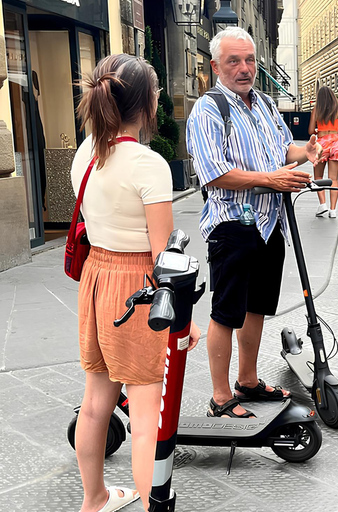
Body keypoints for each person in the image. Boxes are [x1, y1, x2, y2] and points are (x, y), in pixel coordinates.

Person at [72, 54, 200, 512]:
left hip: (96, 278)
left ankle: (95, 499)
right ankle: (152, 505)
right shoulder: (149, 165)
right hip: (137, 286)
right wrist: (185, 325)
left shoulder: (86, 152)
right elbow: (164, 255)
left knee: (94, 403)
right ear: (147, 104)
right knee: (146, 418)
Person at [186, 27, 322, 420]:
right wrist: (272, 179)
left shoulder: (262, 102)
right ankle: (220, 396)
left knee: (257, 308)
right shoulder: (208, 109)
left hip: (268, 223)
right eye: (234, 61)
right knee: (226, 312)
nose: (245, 69)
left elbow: (283, 148)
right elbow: (213, 173)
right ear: (216, 66)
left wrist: (306, 150)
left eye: (250, 60)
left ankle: (247, 379)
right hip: (232, 224)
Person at [309, 86, 338, 218]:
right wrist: (335, 134)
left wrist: (318, 130)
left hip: (321, 143)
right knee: (334, 178)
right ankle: (333, 210)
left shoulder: (317, 109)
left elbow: (310, 131)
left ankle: (323, 204)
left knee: (318, 176)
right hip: (336, 142)